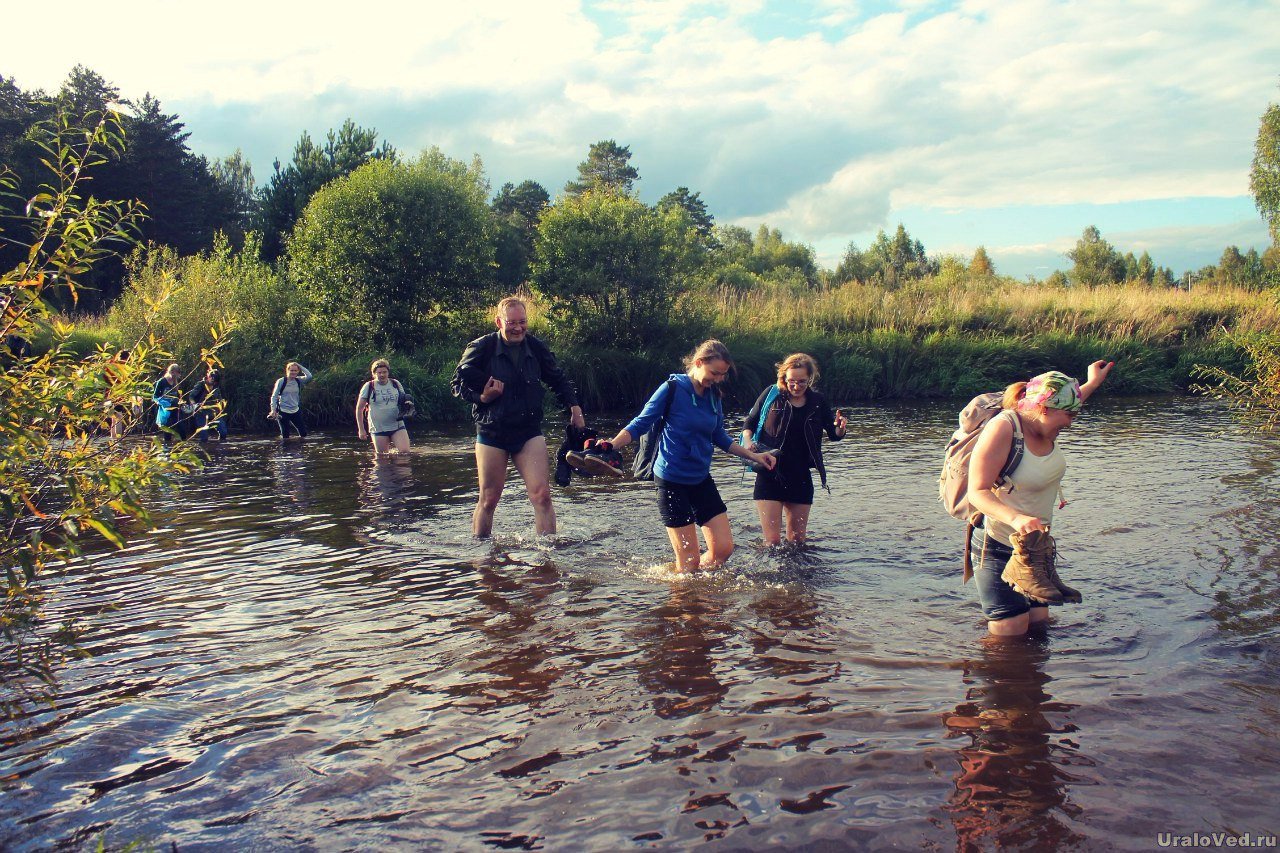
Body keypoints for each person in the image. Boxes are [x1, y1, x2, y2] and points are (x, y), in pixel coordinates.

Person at [600, 340, 778, 573]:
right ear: (698, 362)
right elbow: (640, 423)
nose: (717, 379)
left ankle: (689, 587)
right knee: (689, 562)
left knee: (723, 549)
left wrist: (754, 456)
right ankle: (684, 596)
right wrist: (612, 445)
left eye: (722, 375)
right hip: (671, 480)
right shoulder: (672, 389)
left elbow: (719, 436)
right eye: (714, 373)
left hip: (700, 479)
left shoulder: (714, 396)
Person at [966, 361, 1114, 636]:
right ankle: (983, 675)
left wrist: (1092, 383)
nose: (1071, 423)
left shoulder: (1045, 422)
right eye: (1068, 416)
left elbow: (1065, 401)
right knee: (1010, 631)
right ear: (1043, 409)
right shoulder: (1003, 429)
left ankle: (1033, 679)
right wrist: (1016, 518)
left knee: (1038, 624)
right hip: (998, 543)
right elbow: (977, 490)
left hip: (1035, 550)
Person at [451, 296, 585, 537]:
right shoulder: (482, 347)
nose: (518, 328)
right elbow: (458, 383)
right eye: (511, 322)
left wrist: (574, 407)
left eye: (522, 322)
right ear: (499, 322)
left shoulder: (535, 347)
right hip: (492, 431)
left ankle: (548, 554)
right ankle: (482, 555)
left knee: (542, 495)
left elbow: (558, 378)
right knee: (489, 499)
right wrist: (482, 396)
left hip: (528, 430)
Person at [741, 353, 848, 546]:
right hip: (769, 474)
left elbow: (833, 434)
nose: (796, 386)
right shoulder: (771, 395)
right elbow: (749, 422)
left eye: (802, 382)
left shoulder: (817, 401)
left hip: (800, 477)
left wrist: (840, 429)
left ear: (810, 379)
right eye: (791, 381)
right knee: (772, 542)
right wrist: (748, 443)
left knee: (797, 542)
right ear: (784, 378)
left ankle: (798, 576)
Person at [356, 359, 411, 454]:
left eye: (384, 372)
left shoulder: (395, 384)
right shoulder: (369, 386)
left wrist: (408, 406)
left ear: (388, 372)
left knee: (405, 453)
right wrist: (361, 429)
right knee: (382, 458)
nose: (382, 375)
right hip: (378, 428)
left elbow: (404, 401)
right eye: (379, 372)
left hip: (397, 425)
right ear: (374, 374)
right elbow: (359, 409)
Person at [268, 361, 312, 440]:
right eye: (291, 370)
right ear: (287, 371)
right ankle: (284, 451)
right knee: (285, 436)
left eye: (295, 370)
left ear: (298, 371)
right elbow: (274, 396)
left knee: (303, 434)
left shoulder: (299, 380)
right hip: (283, 411)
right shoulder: (281, 381)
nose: (293, 372)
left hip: (295, 410)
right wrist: (273, 410)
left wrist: (298, 365)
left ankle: (300, 450)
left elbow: (309, 376)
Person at [189, 367, 228, 442]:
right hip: (201, 412)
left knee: (223, 433)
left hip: (214, 412)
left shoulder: (216, 387)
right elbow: (191, 396)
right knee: (204, 438)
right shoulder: (200, 385)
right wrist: (194, 405)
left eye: (216, 381)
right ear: (209, 377)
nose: (214, 383)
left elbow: (219, 399)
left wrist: (221, 406)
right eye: (213, 380)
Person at [152, 363, 186, 443]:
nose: (178, 375)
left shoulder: (176, 382)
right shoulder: (161, 382)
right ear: (172, 372)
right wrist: (162, 403)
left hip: (175, 408)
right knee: (167, 429)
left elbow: (178, 396)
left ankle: (183, 444)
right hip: (165, 409)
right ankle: (167, 446)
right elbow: (155, 396)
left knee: (181, 427)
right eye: (177, 373)